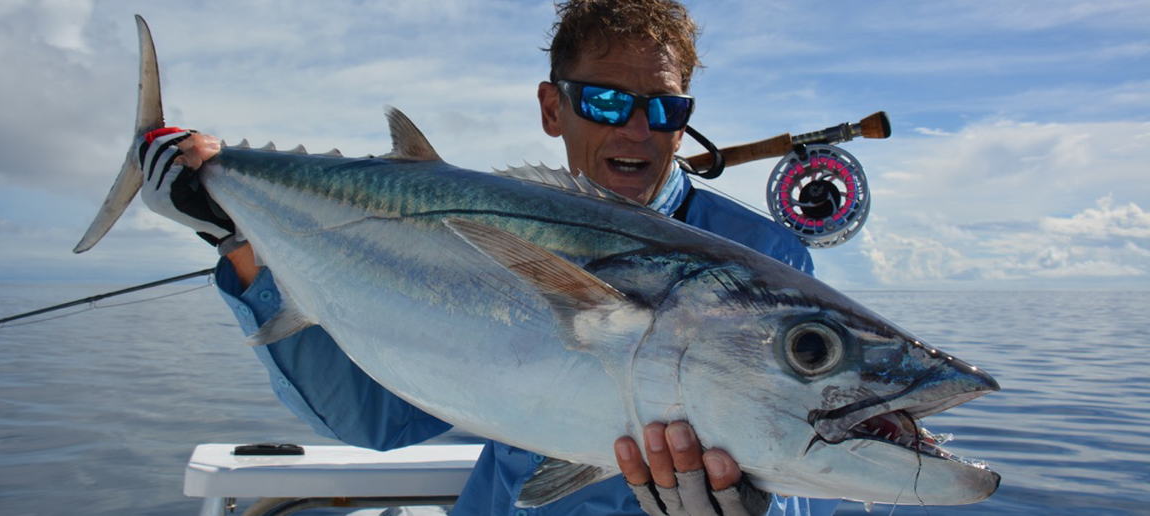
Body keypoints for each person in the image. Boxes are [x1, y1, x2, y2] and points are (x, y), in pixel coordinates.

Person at [138, 1, 840, 514]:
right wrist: (234, 241)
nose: (637, 128)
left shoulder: (763, 257)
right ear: (551, 108)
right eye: (604, 100)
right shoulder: (456, 223)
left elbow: (823, 452)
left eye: (664, 109)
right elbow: (379, 421)